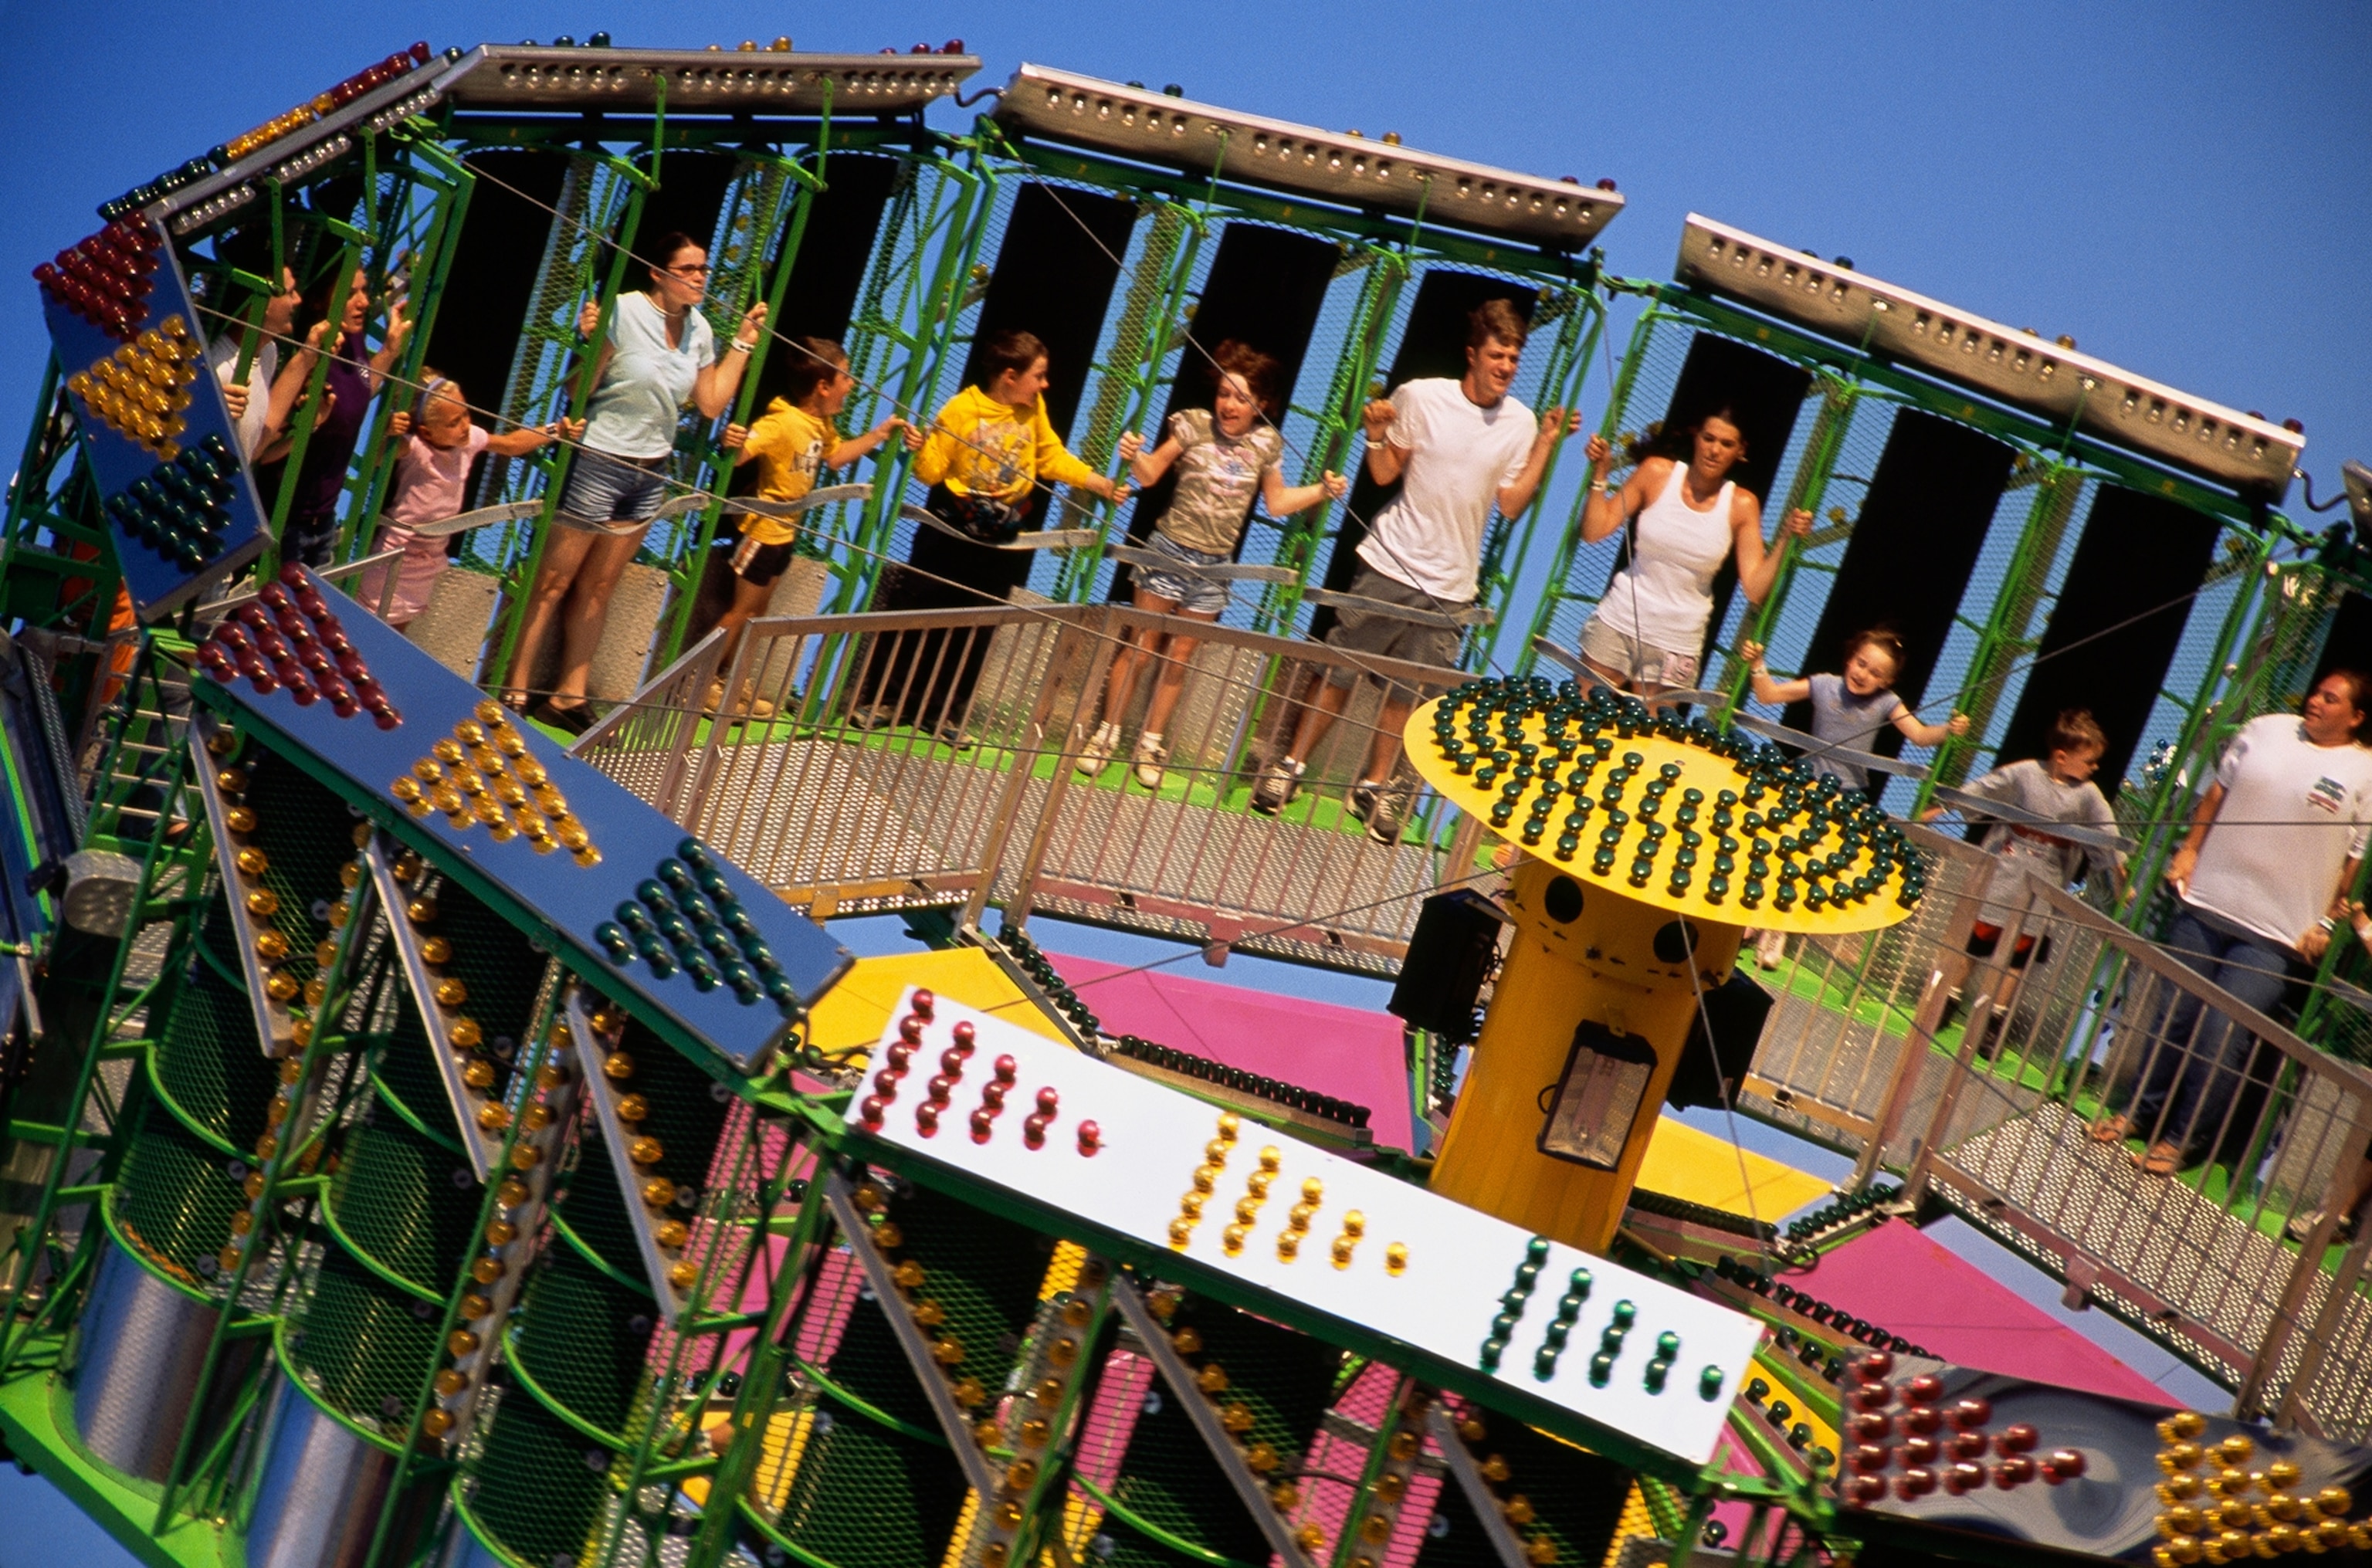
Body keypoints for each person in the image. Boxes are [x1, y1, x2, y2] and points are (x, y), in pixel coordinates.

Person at [1250, 300, 1577, 844]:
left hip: (1452, 585)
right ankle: (1291, 766)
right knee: (1341, 669)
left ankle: (1374, 787)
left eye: (1515, 358)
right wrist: (1375, 433)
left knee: (1410, 692)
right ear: (1473, 354)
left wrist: (1545, 443)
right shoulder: (1422, 395)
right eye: (1499, 354)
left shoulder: (1519, 422)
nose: (1507, 366)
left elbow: (1514, 504)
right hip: (1390, 563)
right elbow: (1382, 472)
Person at [2095, 672, 2372, 1177]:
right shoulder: (2265, 728)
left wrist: (2328, 924)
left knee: (2223, 1033)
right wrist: (2189, 852)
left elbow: (2354, 865)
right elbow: (2215, 796)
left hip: (2278, 933)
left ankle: (2184, 1139)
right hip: (2207, 900)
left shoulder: (2365, 771)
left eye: (2331, 699)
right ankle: (2137, 1110)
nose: (2315, 701)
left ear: (2356, 717)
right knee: (2173, 1015)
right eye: (2316, 692)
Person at [503, 232, 766, 734]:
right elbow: (581, 388)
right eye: (688, 269)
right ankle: (514, 688)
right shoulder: (624, 311)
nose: (698, 278)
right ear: (658, 272)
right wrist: (589, 341)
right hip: (599, 456)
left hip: (650, 469)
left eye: (704, 269)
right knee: (553, 581)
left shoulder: (702, 330)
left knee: (601, 585)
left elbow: (710, 402)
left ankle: (568, 694)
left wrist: (743, 345)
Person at [1075, 342, 1345, 790]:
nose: (1229, 405)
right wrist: (1131, 452)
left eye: (1240, 398)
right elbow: (1148, 474)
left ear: (1261, 404)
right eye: (1224, 394)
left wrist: (1321, 491)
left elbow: (1277, 503)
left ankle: (1151, 743)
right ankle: (1106, 735)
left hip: (1214, 566)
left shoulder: (1266, 444)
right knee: (1143, 643)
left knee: (1181, 654)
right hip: (1170, 550)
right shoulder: (1192, 425)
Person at [855, 330, 1127, 741]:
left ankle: (943, 713)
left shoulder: (1032, 408)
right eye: (1039, 376)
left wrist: (1100, 484)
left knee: (976, 625)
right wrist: (920, 447)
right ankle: (888, 700)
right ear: (1010, 376)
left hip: (1000, 536)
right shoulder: (961, 409)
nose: (1045, 384)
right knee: (919, 616)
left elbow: (1049, 457)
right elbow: (930, 473)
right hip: (951, 533)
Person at [1738, 625, 1970, 968]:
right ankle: (1752, 921)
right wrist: (1757, 664)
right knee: (1778, 852)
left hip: (1844, 798)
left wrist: (1949, 732)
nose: (1863, 674)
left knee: (1809, 863)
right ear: (1851, 658)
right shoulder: (1824, 684)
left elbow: (1920, 736)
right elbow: (1768, 695)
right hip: (1805, 785)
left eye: (1876, 673)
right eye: (1861, 663)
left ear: (1886, 682)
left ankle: (1777, 932)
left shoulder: (1886, 703)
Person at [1910, 709, 2126, 1054]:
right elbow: (1987, 788)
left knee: (2019, 954)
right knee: (1979, 939)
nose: (2094, 768)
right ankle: (1949, 1001)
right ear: (2061, 756)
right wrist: (1940, 809)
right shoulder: (2026, 773)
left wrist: (2119, 878)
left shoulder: (2089, 795)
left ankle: (1993, 1020)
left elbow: (2107, 836)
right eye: (2088, 761)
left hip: (2046, 877)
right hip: (2006, 867)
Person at [712, 337, 905, 716]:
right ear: (823, 386)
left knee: (757, 614)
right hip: (762, 532)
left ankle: (734, 680)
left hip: (786, 534)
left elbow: (835, 458)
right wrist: (731, 442)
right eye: (845, 378)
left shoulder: (821, 425)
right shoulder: (782, 422)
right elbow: (738, 456)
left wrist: (878, 434)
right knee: (741, 611)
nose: (851, 386)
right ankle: (705, 681)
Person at [1572, 408, 1811, 699]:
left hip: (1678, 640)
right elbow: (1595, 531)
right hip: (1619, 619)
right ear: (1696, 437)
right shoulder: (1656, 472)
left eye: (1726, 444)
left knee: (1654, 735)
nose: (1714, 450)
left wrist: (1786, 538)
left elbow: (1755, 589)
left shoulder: (1742, 504)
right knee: (1581, 711)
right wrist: (1600, 476)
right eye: (1709, 439)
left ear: (1740, 451)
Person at [355, 374, 557, 628]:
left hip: (430, 557)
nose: (464, 425)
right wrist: (386, 431)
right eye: (453, 423)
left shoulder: (470, 439)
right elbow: (375, 459)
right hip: (397, 553)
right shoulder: (415, 448)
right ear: (427, 431)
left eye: (465, 415)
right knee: (366, 625)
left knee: (398, 631)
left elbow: (511, 444)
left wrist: (555, 430)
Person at [260, 267, 412, 567]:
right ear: (320, 302)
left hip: (324, 520)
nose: (364, 302)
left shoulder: (352, 340)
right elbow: (263, 453)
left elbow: (359, 388)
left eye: (364, 291)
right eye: (351, 293)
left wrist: (390, 351)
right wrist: (308, 424)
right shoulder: (308, 359)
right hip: (285, 521)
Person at [207, 266, 300, 459]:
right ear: (262, 303)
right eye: (290, 292)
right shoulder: (217, 365)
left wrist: (306, 359)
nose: (298, 299)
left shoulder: (268, 352)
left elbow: (253, 448)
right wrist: (208, 410)